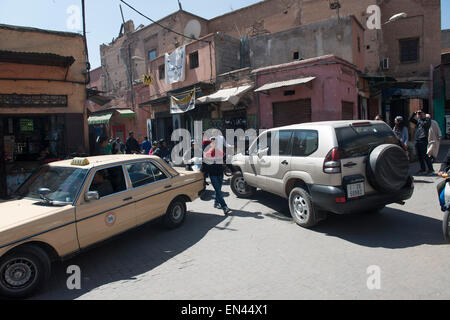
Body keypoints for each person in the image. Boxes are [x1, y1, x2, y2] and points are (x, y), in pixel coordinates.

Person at [201, 140, 231, 215]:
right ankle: (224, 207)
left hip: (220, 174)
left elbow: (226, 159)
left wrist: (233, 170)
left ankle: (216, 202)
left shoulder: (219, 152)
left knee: (218, 190)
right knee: (218, 191)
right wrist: (202, 175)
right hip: (213, 175)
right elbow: (204, 166)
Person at [410, 109, 433, 175]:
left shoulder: (427, 119)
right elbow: (410, 119)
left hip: (423, 139)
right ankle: (423, 169)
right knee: (419, 156)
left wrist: (419, 118)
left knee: (425, 155)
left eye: (421, 113)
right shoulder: (418, 121)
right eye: (419, 113)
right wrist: (414, 113)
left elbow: (424, 125)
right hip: (417, 139)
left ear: (424, 114)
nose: (420, 114)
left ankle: (430, 169)